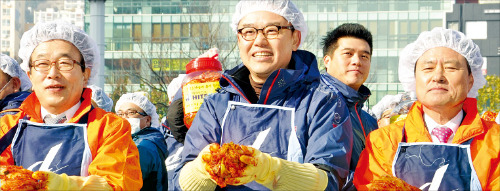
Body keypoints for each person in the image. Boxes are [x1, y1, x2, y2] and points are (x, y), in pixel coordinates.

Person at [174, 0, 353, 190]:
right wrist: (201, 171)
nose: (259, 41)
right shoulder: (216, 104)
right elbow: (180, 181)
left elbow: (331, 180)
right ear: (239, 40)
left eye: (272, 30)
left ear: (295, 39)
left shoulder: (322, 102)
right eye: (249, 32)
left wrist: (270, 170)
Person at [0, 20, 142, 190]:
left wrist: (62, 185)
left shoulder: (109, 129)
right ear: (30, 76)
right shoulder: (7, 127)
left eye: (65, 63)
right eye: (42, 64)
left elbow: (116, 184)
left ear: (85, 75)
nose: (52, 74)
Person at [353, 27, 499, 190]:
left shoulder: (495, 141)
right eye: (428, 68)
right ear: (414, 78)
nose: (438, 77)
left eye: (451, 68)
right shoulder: (384, 141)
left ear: (470, 80)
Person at [320, 23, 378, 190]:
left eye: (364, 56)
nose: (356, 61)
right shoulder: (316, 103)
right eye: (348, 54)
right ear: (327, 60)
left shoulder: (368, 119)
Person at [115, 92, 168, 191]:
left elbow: (125, 183)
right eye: (120, 114)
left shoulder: (143, 147)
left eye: (131, 113)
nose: (124, 118)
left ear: (147, 120)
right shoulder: (145, 140)